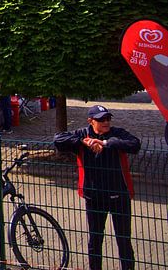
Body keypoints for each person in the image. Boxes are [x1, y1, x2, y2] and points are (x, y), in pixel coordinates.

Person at [54, 105, 141, 270]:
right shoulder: (83, 133)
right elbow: (58, 139)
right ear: (90, 121)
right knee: (95, 239)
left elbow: (135, 144)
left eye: (108, 118)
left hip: (118, 196)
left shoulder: (116, 133)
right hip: (94, 198)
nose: (106, 122)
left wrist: (107, 142)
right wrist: (83, 142)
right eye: (101, 119)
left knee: (123, 240)